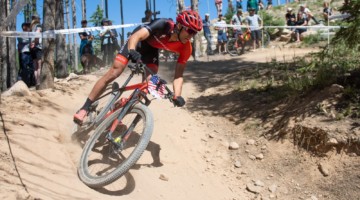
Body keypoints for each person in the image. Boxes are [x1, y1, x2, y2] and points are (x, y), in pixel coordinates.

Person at [73, 10, 203, 125]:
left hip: (151, 50)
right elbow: (136, 36)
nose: (192, 36)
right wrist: (132, 50)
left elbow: (179, 75)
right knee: (115, 72)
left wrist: (177, 96)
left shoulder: (186, 47)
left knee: (147, 86)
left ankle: (119, 109)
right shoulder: (164, 24)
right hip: (137, 41)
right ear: (179, 26)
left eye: (195, 33)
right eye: (190, 31)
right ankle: (84, 108)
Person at [17, 22, 35, 87]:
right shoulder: (20, 34)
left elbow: (33, 41)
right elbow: (22, 41)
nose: (28, 27)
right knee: (23, 68)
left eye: (29, 26)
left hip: (30, 53)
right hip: (23, 53)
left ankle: (31, 83)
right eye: (27, 26)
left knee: (32, 68)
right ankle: (23, 83)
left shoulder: (30, 34)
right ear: (23, 27)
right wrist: (30, 40)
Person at [30, 14, 42, 90]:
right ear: (38, 19)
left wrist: (32, 43)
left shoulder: (32, 27)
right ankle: (38, 82)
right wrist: (36, 42)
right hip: (38, 47)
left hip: (32, 48)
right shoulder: (38, 25)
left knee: (35, 67)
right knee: (39, 66)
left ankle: (36, 82)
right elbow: (37, 33)